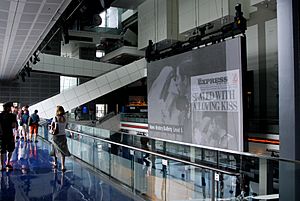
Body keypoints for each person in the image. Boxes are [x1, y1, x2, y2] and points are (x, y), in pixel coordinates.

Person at [50, 105, 71, 171]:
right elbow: (66, 125)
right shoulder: (65, 117)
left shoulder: (55, 117)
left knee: (55, 149)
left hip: (56, 136)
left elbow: (52, 126)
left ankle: (55, 163)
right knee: (62, 151)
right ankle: (63, 166)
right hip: (63, 135)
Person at [0, 102, 17, 170]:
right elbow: (13, 126)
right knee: (10, 149)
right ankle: (8, 163)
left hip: (1, 135)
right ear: (8, 108)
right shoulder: (12, 115)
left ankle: (2, 166)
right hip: (9, 134)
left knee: (2, 150)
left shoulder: (0, 115)